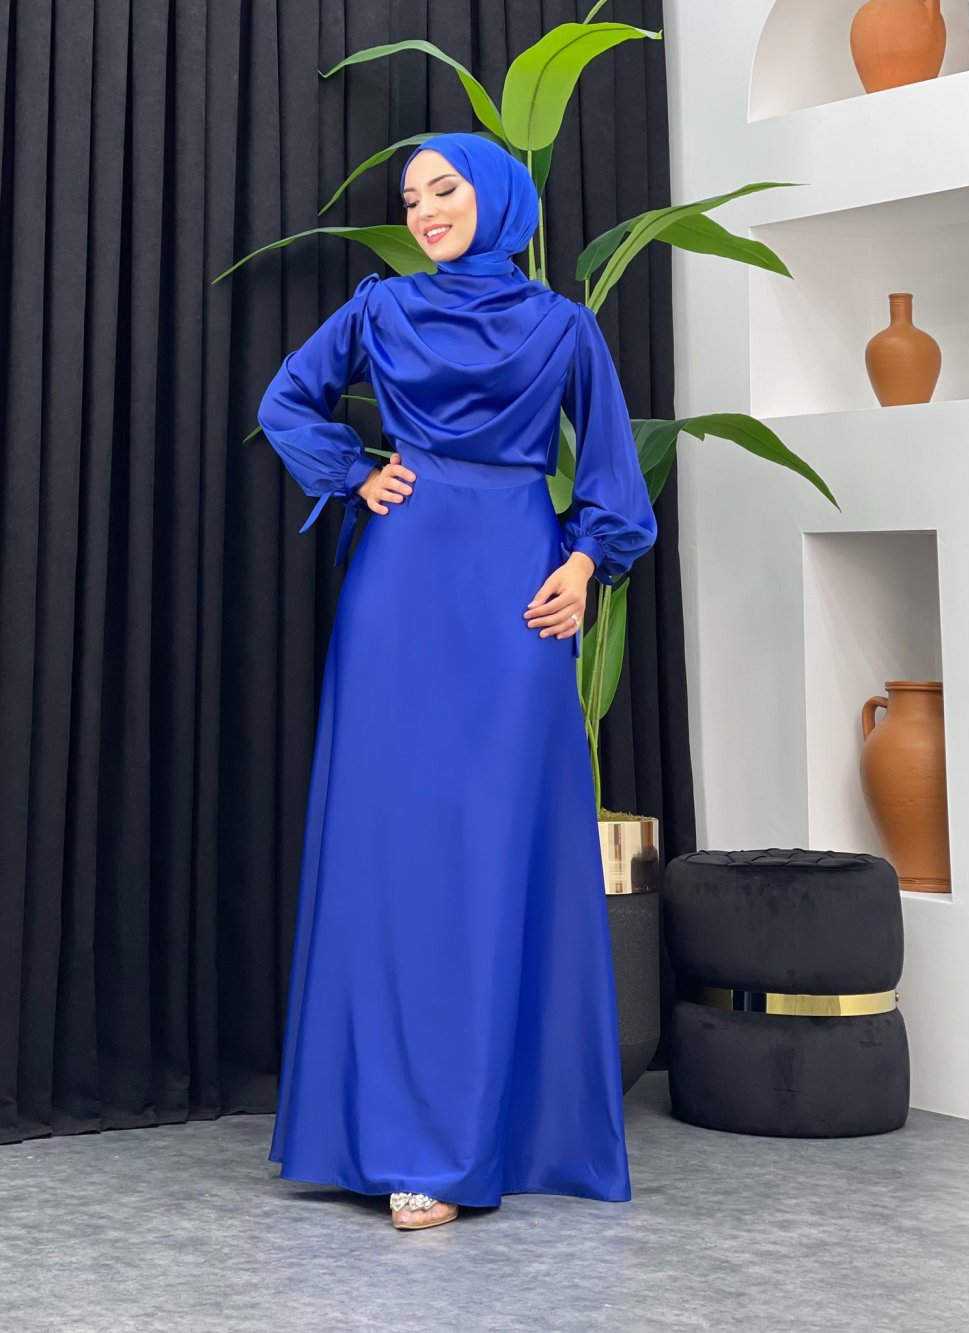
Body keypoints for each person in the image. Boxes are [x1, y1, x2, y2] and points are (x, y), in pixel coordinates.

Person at [257, 131, 657, 1231]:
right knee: (391, 849)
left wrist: (583, 565)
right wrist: (354, 471)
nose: (425, 210)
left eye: (445, 190)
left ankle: (491, 1133)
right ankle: (387, 1136)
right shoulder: (380, 310)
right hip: (400, 593)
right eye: (411, 197)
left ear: (497, 198)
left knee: (492, 846)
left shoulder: (564, 328)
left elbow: (613, 479)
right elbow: (286, 401)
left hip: (514, 595)